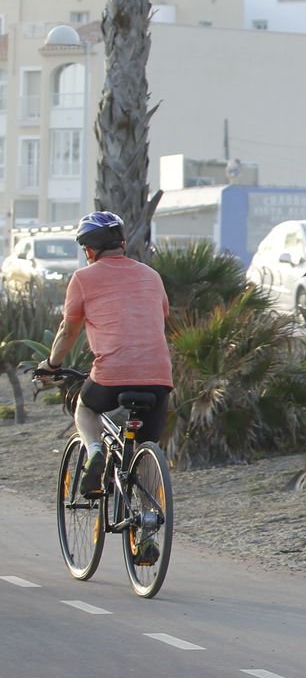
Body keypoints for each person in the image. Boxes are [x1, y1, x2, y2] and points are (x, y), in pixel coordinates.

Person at [41, 212, 172, 500]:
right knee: (146, 446)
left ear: (89, 249)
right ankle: (148, 527)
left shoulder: (83, 278)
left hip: (112, 374)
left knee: (86, 408)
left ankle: (95, 450)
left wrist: (52, 365)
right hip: (160, 377)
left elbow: (68, 331)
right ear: (122, 243)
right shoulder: (152, 276)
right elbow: (161, 316)